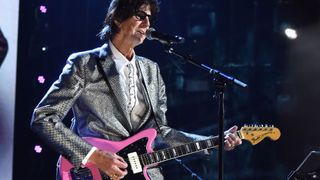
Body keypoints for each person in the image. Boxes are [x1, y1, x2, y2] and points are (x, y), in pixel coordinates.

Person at [30, 0, 242, 179]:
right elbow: (43, 117)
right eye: (141, 15)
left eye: (150, 18)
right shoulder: (85, 64)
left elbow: (162, 134)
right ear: (117, 18)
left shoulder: (151, 70)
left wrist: (213, 142)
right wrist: (94, 156)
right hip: (93, 172)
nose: (147, 24)